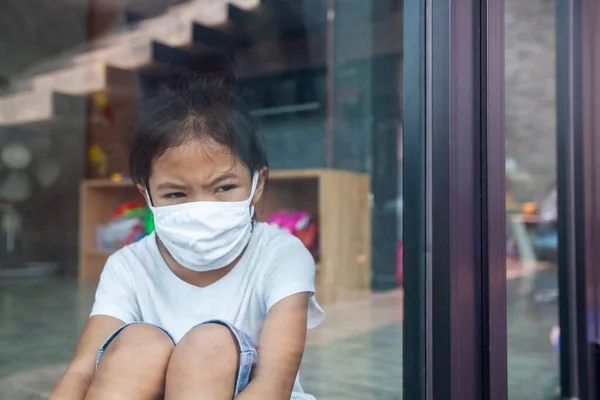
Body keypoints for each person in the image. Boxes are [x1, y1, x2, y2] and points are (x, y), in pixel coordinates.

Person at [51, 69, 324, 399]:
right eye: (176, 194)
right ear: (146, 193)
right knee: (137, 345)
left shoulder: (282, 256)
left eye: (223, 187)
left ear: (257, 183)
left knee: (209, 345)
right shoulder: (128, 266)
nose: (201, 208)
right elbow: (82, 371)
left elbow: (273, 383)